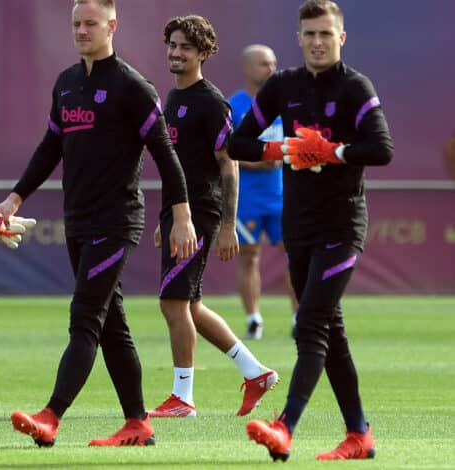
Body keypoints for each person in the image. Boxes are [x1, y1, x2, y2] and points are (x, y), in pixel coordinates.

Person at [0, 0, 197, 447]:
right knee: (111, 325)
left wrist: (182, 215)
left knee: (84, 317)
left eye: (91, 23)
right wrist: (13, 198)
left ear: (112, 26)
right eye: (77, 24)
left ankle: (51, 416)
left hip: (117, 221)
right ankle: (138, 424)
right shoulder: (66, 84)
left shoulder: (132, 86)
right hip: (78, 221)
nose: (82, 31)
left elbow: (166, 154)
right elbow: (50, 147)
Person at [228, 0, 393, 461]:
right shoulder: (283, 87)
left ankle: (286, 426)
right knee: (329, 329)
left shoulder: (355, 87)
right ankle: (359, 434)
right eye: (310, 34)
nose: (318, 42)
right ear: (298, 39)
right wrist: (285, 148)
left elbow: (382, 149)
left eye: (326, 34)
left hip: (342, 223)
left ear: (341, 38)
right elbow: (238, 142)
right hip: (297, 223)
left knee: (311, 323)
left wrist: (333, 152)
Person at [146, 15, 278, 420]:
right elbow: (179, 165)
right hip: (180, 213)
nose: (176, 52)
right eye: (172, 45)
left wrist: (225, 225)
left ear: (203, 53)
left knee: (173, 303)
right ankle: (254, 372)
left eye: (186, 46)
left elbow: (229, 164)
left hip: (200, 216)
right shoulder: (173, 97)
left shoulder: (209, 101)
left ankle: (182, 398)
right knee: (193, 306)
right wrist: (166, 215)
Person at [228, 45, 298, 340]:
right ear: (247, 68)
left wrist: (287, 156)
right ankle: (254, 318)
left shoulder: (286, 104)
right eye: (263, 64)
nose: (270, 69)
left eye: (273, 63)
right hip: (247, 197)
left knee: (295, 254)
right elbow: (225, 151)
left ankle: (299, 318)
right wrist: (257, 160)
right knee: (249, 255)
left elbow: (300, 143)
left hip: (283, 194)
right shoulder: (234, 105)